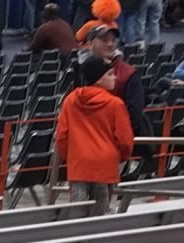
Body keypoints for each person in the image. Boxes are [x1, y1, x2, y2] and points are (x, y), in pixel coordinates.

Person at [57, 57, 136, 213]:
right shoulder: (115, 104)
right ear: (98, 79)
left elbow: (61, 136)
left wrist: (71, 157)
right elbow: (125, 140)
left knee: (76, 215)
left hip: (78, 166)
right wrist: (119, 158)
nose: (115, 77)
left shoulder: (70, 100)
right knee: (100, 216)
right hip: (105, 167)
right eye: (110, 74)